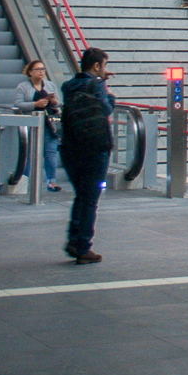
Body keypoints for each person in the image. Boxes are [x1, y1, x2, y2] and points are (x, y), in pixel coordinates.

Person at [58, 48, 115, 264]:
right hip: (95, 149)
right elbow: (106, 109)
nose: (105, 70)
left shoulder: (68, 86)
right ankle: (83, 246)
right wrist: (109, 93)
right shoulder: (97, 85)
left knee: (81, 195)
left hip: (71, 147)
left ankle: (73, 240)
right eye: (104, 66)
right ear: (97, 66)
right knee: (91, 199)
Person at [6, 59, 62, 194]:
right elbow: (18, 103)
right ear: (30, 72)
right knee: (30, 153)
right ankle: (25, 180)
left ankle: (51, 181)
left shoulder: (49, 85)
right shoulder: (23, 86)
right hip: (31, 123)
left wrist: (54, 102)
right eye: (38, 69)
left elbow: (58, 103)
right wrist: (35, 104)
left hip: (48, 123)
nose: (41, 71)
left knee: (50, 152)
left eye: (43, 69)